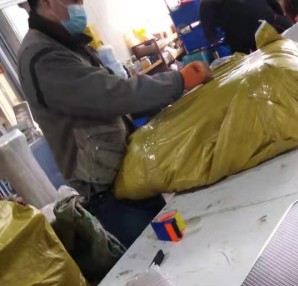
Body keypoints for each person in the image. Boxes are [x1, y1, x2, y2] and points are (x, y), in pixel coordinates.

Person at [18, 0, 212, 247]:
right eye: (73, 0)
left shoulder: (64, 41)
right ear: (46, 3)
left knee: (175, 239)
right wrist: (178, 81)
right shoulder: (42, 56)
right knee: (158, 251)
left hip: (125, 170)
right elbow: (111, 94)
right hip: (108, 191)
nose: (80, 5)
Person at [200, 0, 292, 54]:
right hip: (270, 23)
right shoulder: (207, 4)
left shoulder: (206, 4)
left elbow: (210, 34)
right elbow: (274, 4)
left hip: (244, 37)